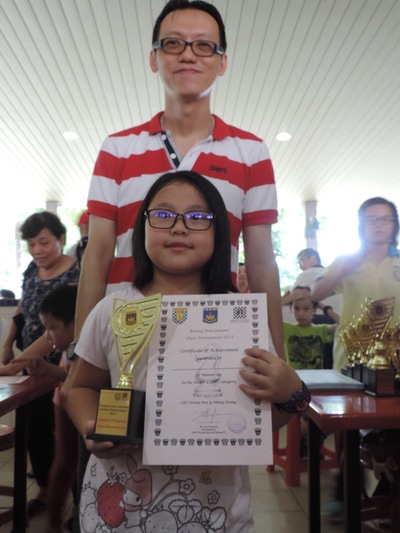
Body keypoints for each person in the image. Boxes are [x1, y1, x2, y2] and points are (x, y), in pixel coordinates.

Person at [67, 170, 309, 532]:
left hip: (217, 513)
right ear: (142, 228)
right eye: (163, 215)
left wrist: (291, 393)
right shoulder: (112, 310)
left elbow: (263, 422)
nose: (179, 227)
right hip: (116, 512)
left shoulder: (244, 319)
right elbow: (79, 387)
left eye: (197, 217)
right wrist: (91, 426)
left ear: (219, 233)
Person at [74, 0, 284, 360]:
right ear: (154, 58)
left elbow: (262, 262)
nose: (188, 55)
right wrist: (80, 351)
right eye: (173, 43)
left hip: (216, 339)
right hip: (124, 337)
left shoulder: (252, 152)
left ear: (222, 62)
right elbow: (98, 253)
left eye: (204, 45)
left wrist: (278, 358)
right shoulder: (117, 148)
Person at [311, 197, 400, 521]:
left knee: (393, 426)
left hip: (394, 361)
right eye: (371, 219)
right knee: (349, 427)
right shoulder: (346, 260)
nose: (379, 224)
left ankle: (388, 494)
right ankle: (343, 489)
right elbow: (316, 295)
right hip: (351, 359)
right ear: (361, 225)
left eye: (386, 219)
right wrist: (341, 271)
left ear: (394, 225)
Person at [1, 211, 80, 517]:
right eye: (31, 244)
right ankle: (45, 491)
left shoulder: (76, 274)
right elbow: (22, 307)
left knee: (65, 435)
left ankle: (75, 502)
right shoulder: (32, 270)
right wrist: (8, 345)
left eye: (43, 242)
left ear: (61, 239)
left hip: (62, 364)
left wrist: (16, 364)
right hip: (30, 365)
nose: (37, 250)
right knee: (34, 431)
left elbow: (56, 333)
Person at [17, 285, 79, 533]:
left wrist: (47, 369)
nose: (48, 336)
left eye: (52, 328)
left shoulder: (85, 344)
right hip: (63, 401)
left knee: (72, 461)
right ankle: (54, 524)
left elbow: (77, 376)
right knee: (65, 460)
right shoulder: (70, 348)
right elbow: (69, 376)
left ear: (74, 323)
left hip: (76, 402)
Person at [281, 248, 342, 324]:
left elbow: (285, 299)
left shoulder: (306, 274)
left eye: (302, 261)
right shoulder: (333, 275)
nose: (300, 266)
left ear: (313, 259)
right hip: (338, 318)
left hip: (316, 320)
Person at [283, 288, 339, 370]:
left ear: (314, 309)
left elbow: (345, 324)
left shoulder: (321, 330)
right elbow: (266, 312)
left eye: (306, 308)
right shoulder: (287, 328)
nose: (301, 313)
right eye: (296, 308)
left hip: (316, 377)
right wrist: (289, 298)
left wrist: (323, 307)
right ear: (291, 308)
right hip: (294, 376)